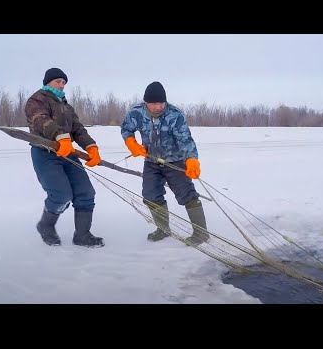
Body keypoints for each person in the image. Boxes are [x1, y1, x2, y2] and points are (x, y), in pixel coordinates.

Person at [120, 81, 210, 245]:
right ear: (146, 102)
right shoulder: (136, 113)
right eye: (154, 103)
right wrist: (131, 143)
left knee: (187, 195)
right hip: (151, 161)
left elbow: (185, 140)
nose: (159, 107)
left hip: (175, 162)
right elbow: (126, 129)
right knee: (150, 195)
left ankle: (201, 233)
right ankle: (163, 229)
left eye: (161, 102)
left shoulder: (175, 115)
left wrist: (191, 160)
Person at [24, 67, 104, 248]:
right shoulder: (37, 99)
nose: (61, 85)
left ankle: (82, 235)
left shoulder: (65, 105)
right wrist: (60, 136)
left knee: (86, 193)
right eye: (58, 81)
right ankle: (46, 225)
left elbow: (77, 129)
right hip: (45, 152)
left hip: (67, 153)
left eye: (63, 82)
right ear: (48, 82)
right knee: (61, 195)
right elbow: (40, 119)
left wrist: (91, 147)